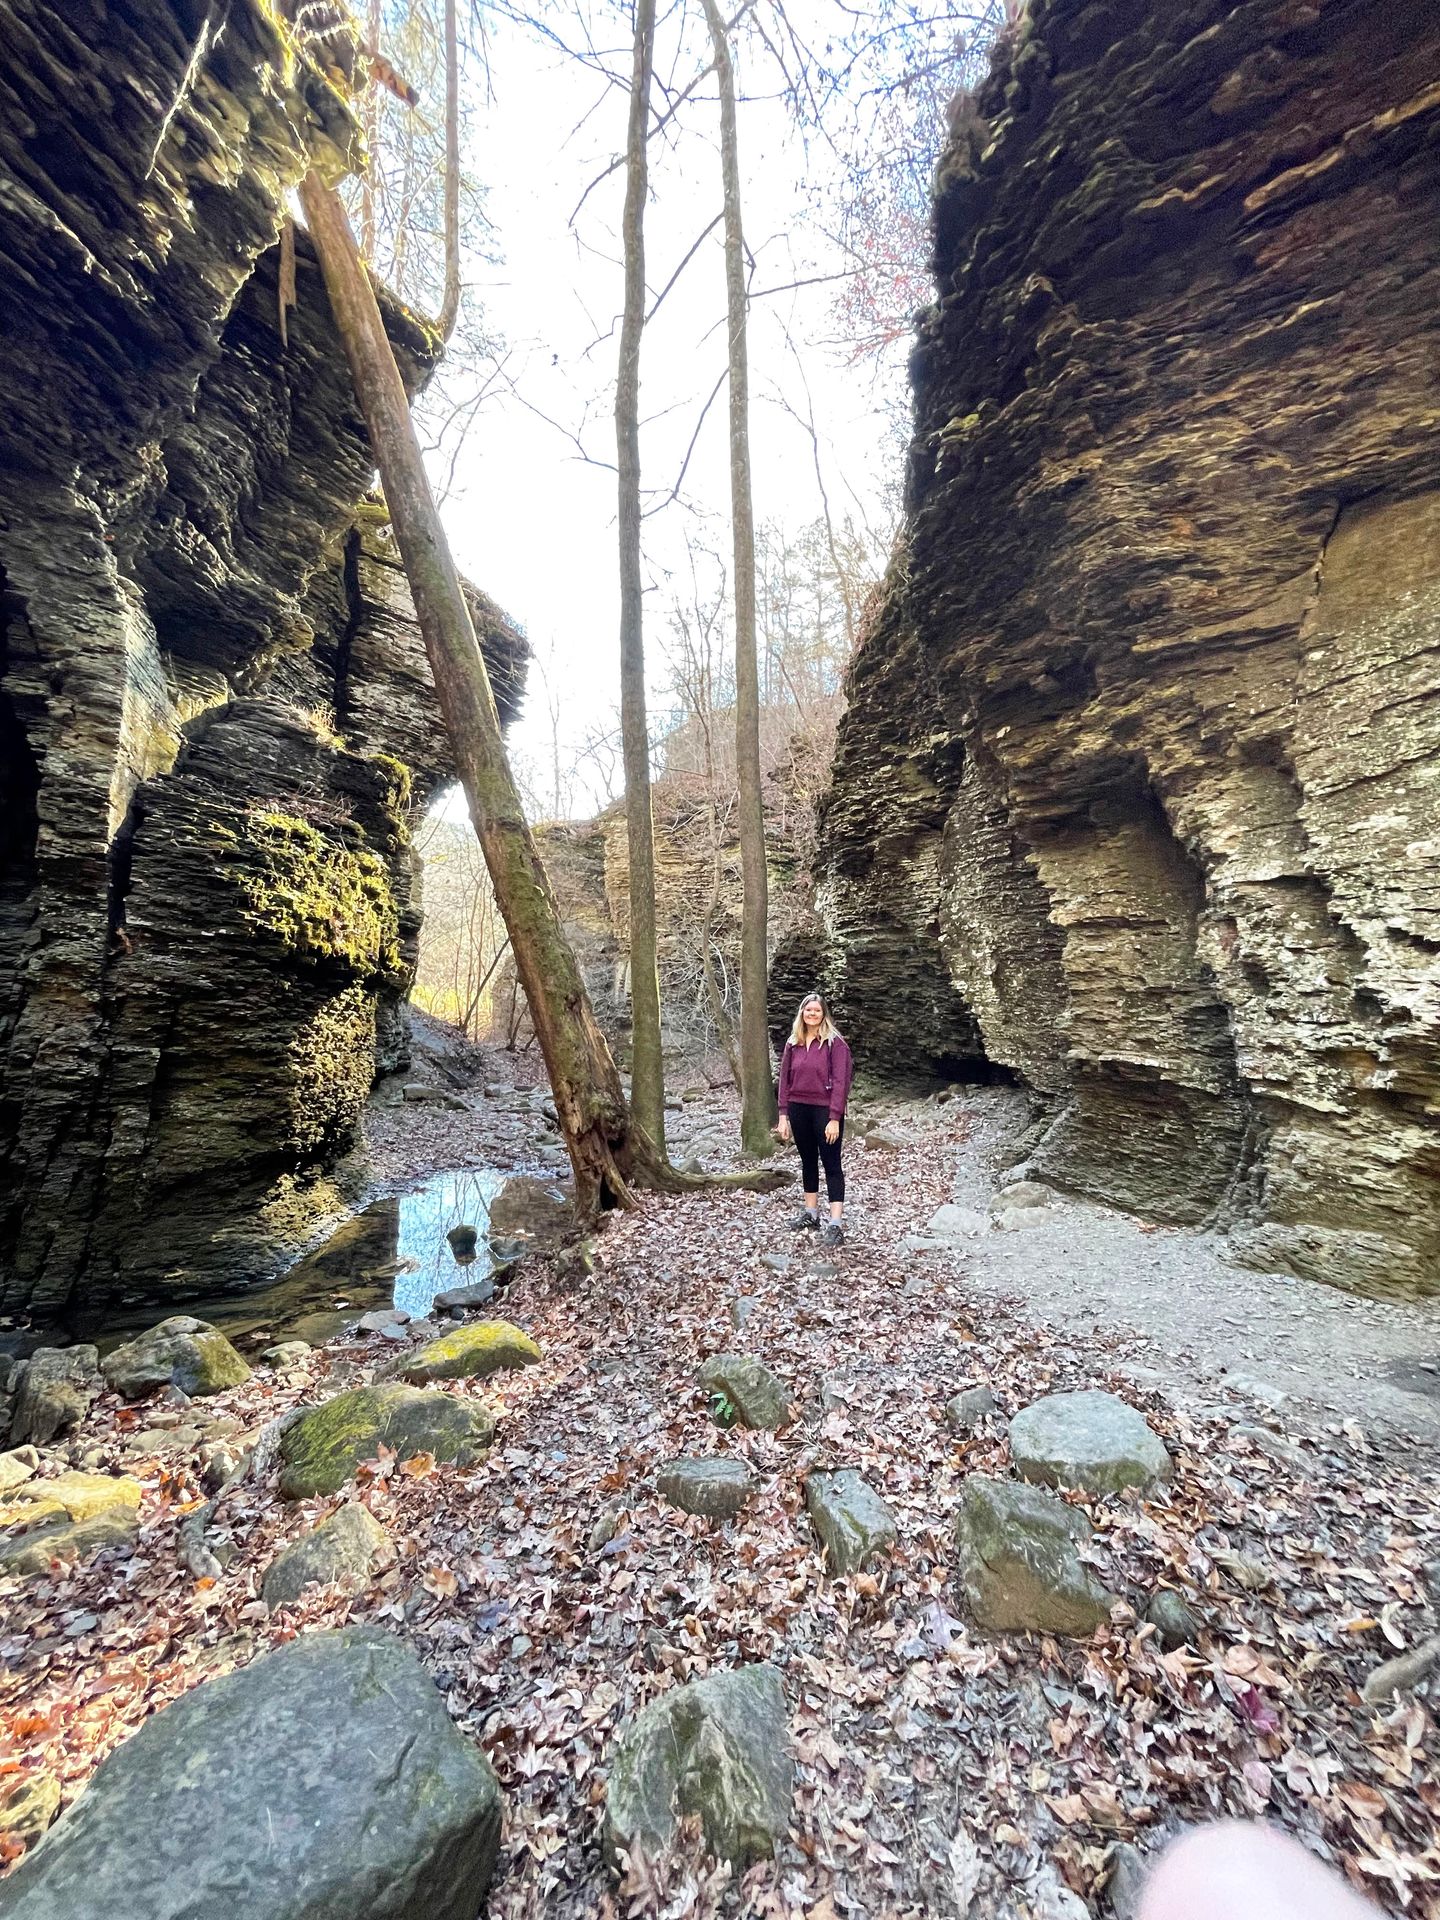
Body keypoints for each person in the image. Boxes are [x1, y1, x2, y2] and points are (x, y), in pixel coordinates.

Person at [776, 990, 853, 1246]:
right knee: (807, 1160)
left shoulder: (835, 1044)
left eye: (816, 1011)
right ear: (802, 1013)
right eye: (808, 1010)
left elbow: (841, 1083)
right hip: (798, 1107)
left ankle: (835, 1223)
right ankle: (811, 1213)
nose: (812, 1014)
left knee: (831, 1164)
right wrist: (783, 1115)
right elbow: (784, 1080)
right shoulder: (793, 1042)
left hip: (824, 1110)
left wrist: (834, 1117)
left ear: (823, 1014)